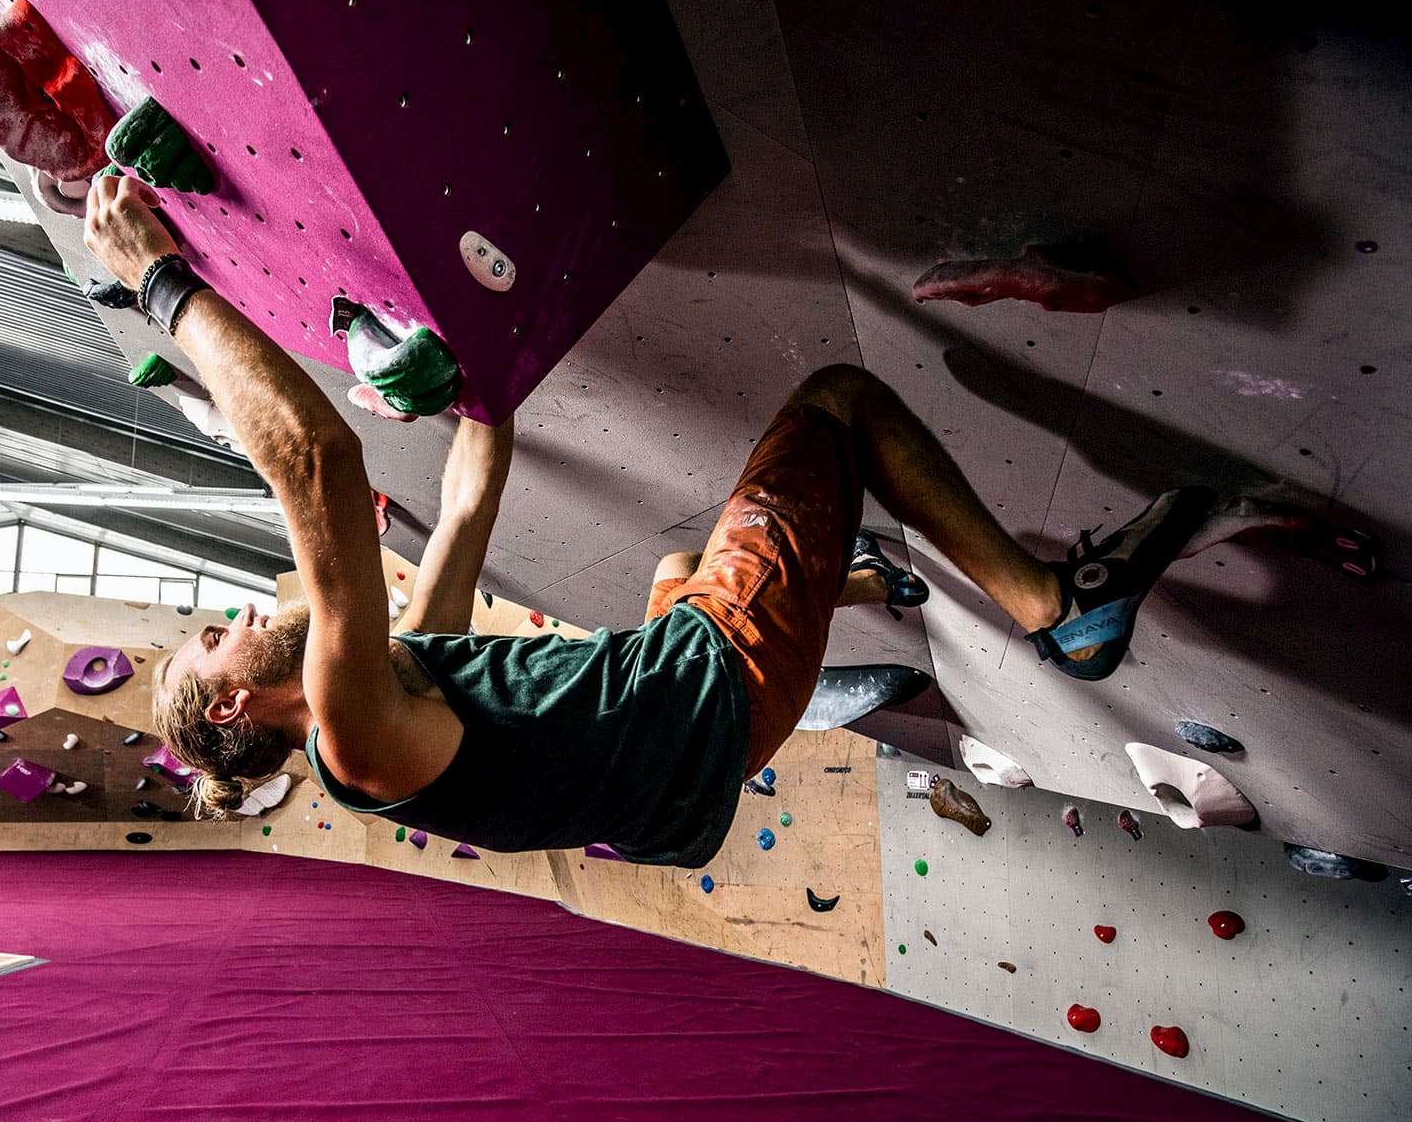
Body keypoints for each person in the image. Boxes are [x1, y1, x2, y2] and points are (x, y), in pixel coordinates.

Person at [85, 174, 1214, 869]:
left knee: (681, 561)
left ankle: (852, 584)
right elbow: (319, 463)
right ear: (236, 698)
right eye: (214, 632)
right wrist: (163, 287)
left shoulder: (392, 668)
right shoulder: (353, 728)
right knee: (837, 402)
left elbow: (473, 486)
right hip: (710, 689)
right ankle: (1062, 608)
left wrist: (479, 335)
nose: (232, 612)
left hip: (683, 764)